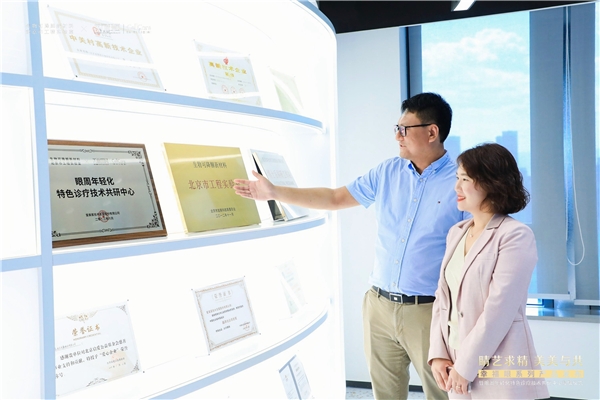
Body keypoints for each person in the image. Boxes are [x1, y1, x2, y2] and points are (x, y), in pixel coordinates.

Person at [234, 92, 467, 400]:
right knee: (385, 395)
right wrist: (274, 192)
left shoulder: (461, 181)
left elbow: (473, 253)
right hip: (378, 307)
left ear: (432, 132)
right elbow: (334, 198)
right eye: (396, 128)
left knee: (444, 394)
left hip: (429, 310)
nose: (397, 136)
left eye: (403, 129)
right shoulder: (387, 172)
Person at [428, 143, 550, 399]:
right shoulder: (456, 233)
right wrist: (438, 353)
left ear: (490, 183)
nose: (456, 187)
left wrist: (466, 365)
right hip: (454, 363)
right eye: (457, 178)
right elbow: (442, 298)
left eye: (465, 179)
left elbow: (499, 310)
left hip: (499, 364)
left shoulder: (515, 235)